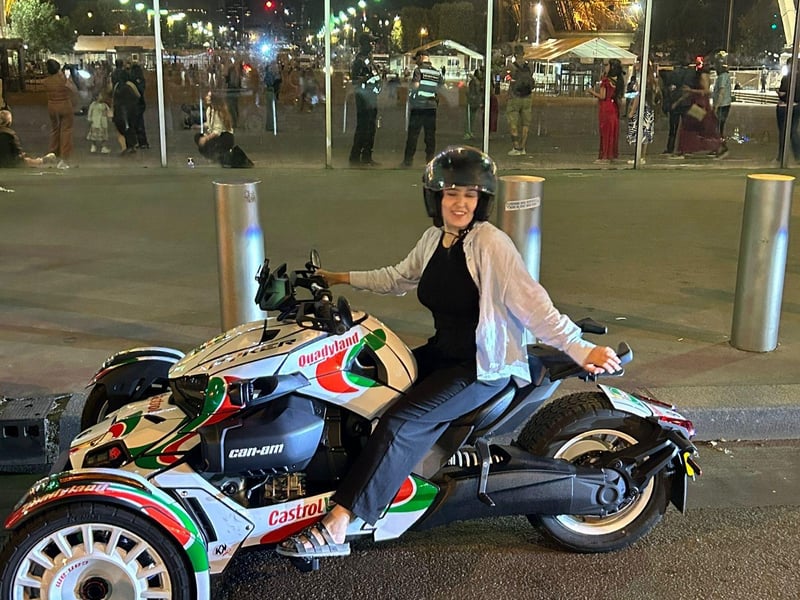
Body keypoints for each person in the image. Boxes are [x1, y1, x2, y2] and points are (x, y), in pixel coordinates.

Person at [276, 145, 622, 560]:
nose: (459, 203)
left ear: (482, 201)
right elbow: (398, 277)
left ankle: (343, 520)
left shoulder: (491, 244)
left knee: (401, 422)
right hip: (445, 352)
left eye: (470, 195)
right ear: (435, 198)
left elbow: (534, 304)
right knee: (367, 385)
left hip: (481, 366)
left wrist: (581, 347)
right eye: (451, 193)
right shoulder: (433, 239)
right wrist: (338, 277)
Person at [675, 59, 725, 158]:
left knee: (689, 125)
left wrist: (691, 90)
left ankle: (685, 149)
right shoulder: (703, 76)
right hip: (700, 103)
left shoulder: (703, 76)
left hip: (700, 104)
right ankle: (716, 147)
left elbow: (706, 91)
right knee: (699, 127)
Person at [402, 51, 443, 167]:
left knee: (413, 135)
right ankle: (430, 161)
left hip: (419, 106)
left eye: (416, 59)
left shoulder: (419, 70)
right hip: (431, 107)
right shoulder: (436, 72)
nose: (416, 62)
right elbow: (440, 88)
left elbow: (415, 86)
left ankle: (408, 161)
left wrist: (411, 92)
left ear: (421, 58)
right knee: (430, 136)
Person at [349, 34, 381, 167]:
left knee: (370, 127)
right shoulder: (359, 61)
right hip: (364, 98)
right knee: (364, 127)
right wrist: (367, 79)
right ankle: (358, 155)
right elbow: (355, 80)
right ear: (364, 44)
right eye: (371, 43)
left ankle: (365, 155)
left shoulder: (369, 60)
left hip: (371, 97)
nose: (373, 45)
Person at [587, 58, 624, 164]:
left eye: (607, 65)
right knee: (612, 132)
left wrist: (592, 92)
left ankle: (604, 156)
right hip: (614, 107)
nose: (605, 67)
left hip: (606, 107)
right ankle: (611, 154)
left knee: (605, 132)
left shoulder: (606, 81)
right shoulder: (618, 81)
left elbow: (602, 96)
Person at [625, 60, 662, 164]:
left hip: (641, 108)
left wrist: (632, 110)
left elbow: (638, 95)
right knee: (646, 132)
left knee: (637, 132)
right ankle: (642, 157)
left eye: (637, 62)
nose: (635, 64)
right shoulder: (652, 79)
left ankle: (638, 156)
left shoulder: (641, 78)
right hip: (649, 109)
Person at [42, 59, 75, 170]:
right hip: (65, 106)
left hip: (52, 107)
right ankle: (64, 158)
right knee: (66, 131)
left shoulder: (46, 81)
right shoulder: (63, 79)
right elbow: (72, 89)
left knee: (55, 130)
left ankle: (53, 153)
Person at [505, 46, 534, 156]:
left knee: (513, 122)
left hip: (514, 96)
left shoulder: (511, 66)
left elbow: (503, 75)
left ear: (514, 54)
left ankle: (516, 147)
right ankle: (523, 147)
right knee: (525, 123)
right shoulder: (530, 66)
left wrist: (509, 77)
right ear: (524, 53)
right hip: (527, 97)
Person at [194, 91, 235, 164]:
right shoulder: (209, 110)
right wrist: (199, 126)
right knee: (198, 137)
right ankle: (212, 157)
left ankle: (219, 156)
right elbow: (210, 124)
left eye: (209, 96)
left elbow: (217, 132)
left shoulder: (219, 112)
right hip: (215, 134)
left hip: (224, 136)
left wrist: (206, 138)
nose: (206, 98)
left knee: (208, 142)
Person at [776, 57, 800, 163]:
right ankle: (797, 155)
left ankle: (781, 156)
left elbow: (783, 93)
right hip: (797, 106)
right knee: (793, 131)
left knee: (783, 132)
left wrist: (779, 93)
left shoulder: (787, 78)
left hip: (785, 106)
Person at [112, 70, 141, 155]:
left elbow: (113, 97)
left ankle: (124, 146)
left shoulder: (117, 85)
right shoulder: (130, 84)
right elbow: (138, 95)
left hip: (119, 110)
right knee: (130, 127)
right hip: (130, 109)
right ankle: (132, 145)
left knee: (121, 129)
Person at [711, 51, 733, 145]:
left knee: (718, 127)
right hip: (725, 104)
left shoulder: (722, 77)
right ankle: (720, 146)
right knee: (719, 127)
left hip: (722, 105)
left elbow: (721, 92)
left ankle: (720, 147)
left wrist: (716, 106)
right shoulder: (725, 76)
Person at [128, 62, 149, 149]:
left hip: (134, 104)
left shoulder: (131, 81)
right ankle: (142, 142)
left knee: (135, 123)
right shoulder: (141, 80)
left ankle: (136, 142)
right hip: (140, 103)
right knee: (140, 123)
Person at [464, 67, 484, 140]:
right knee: (471, 118)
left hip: (473, 101)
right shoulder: (477, 82)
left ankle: (469, 132)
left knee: (470, 118)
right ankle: (469, 132)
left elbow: (471, 92)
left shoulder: (475, 82)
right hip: (475, 101)